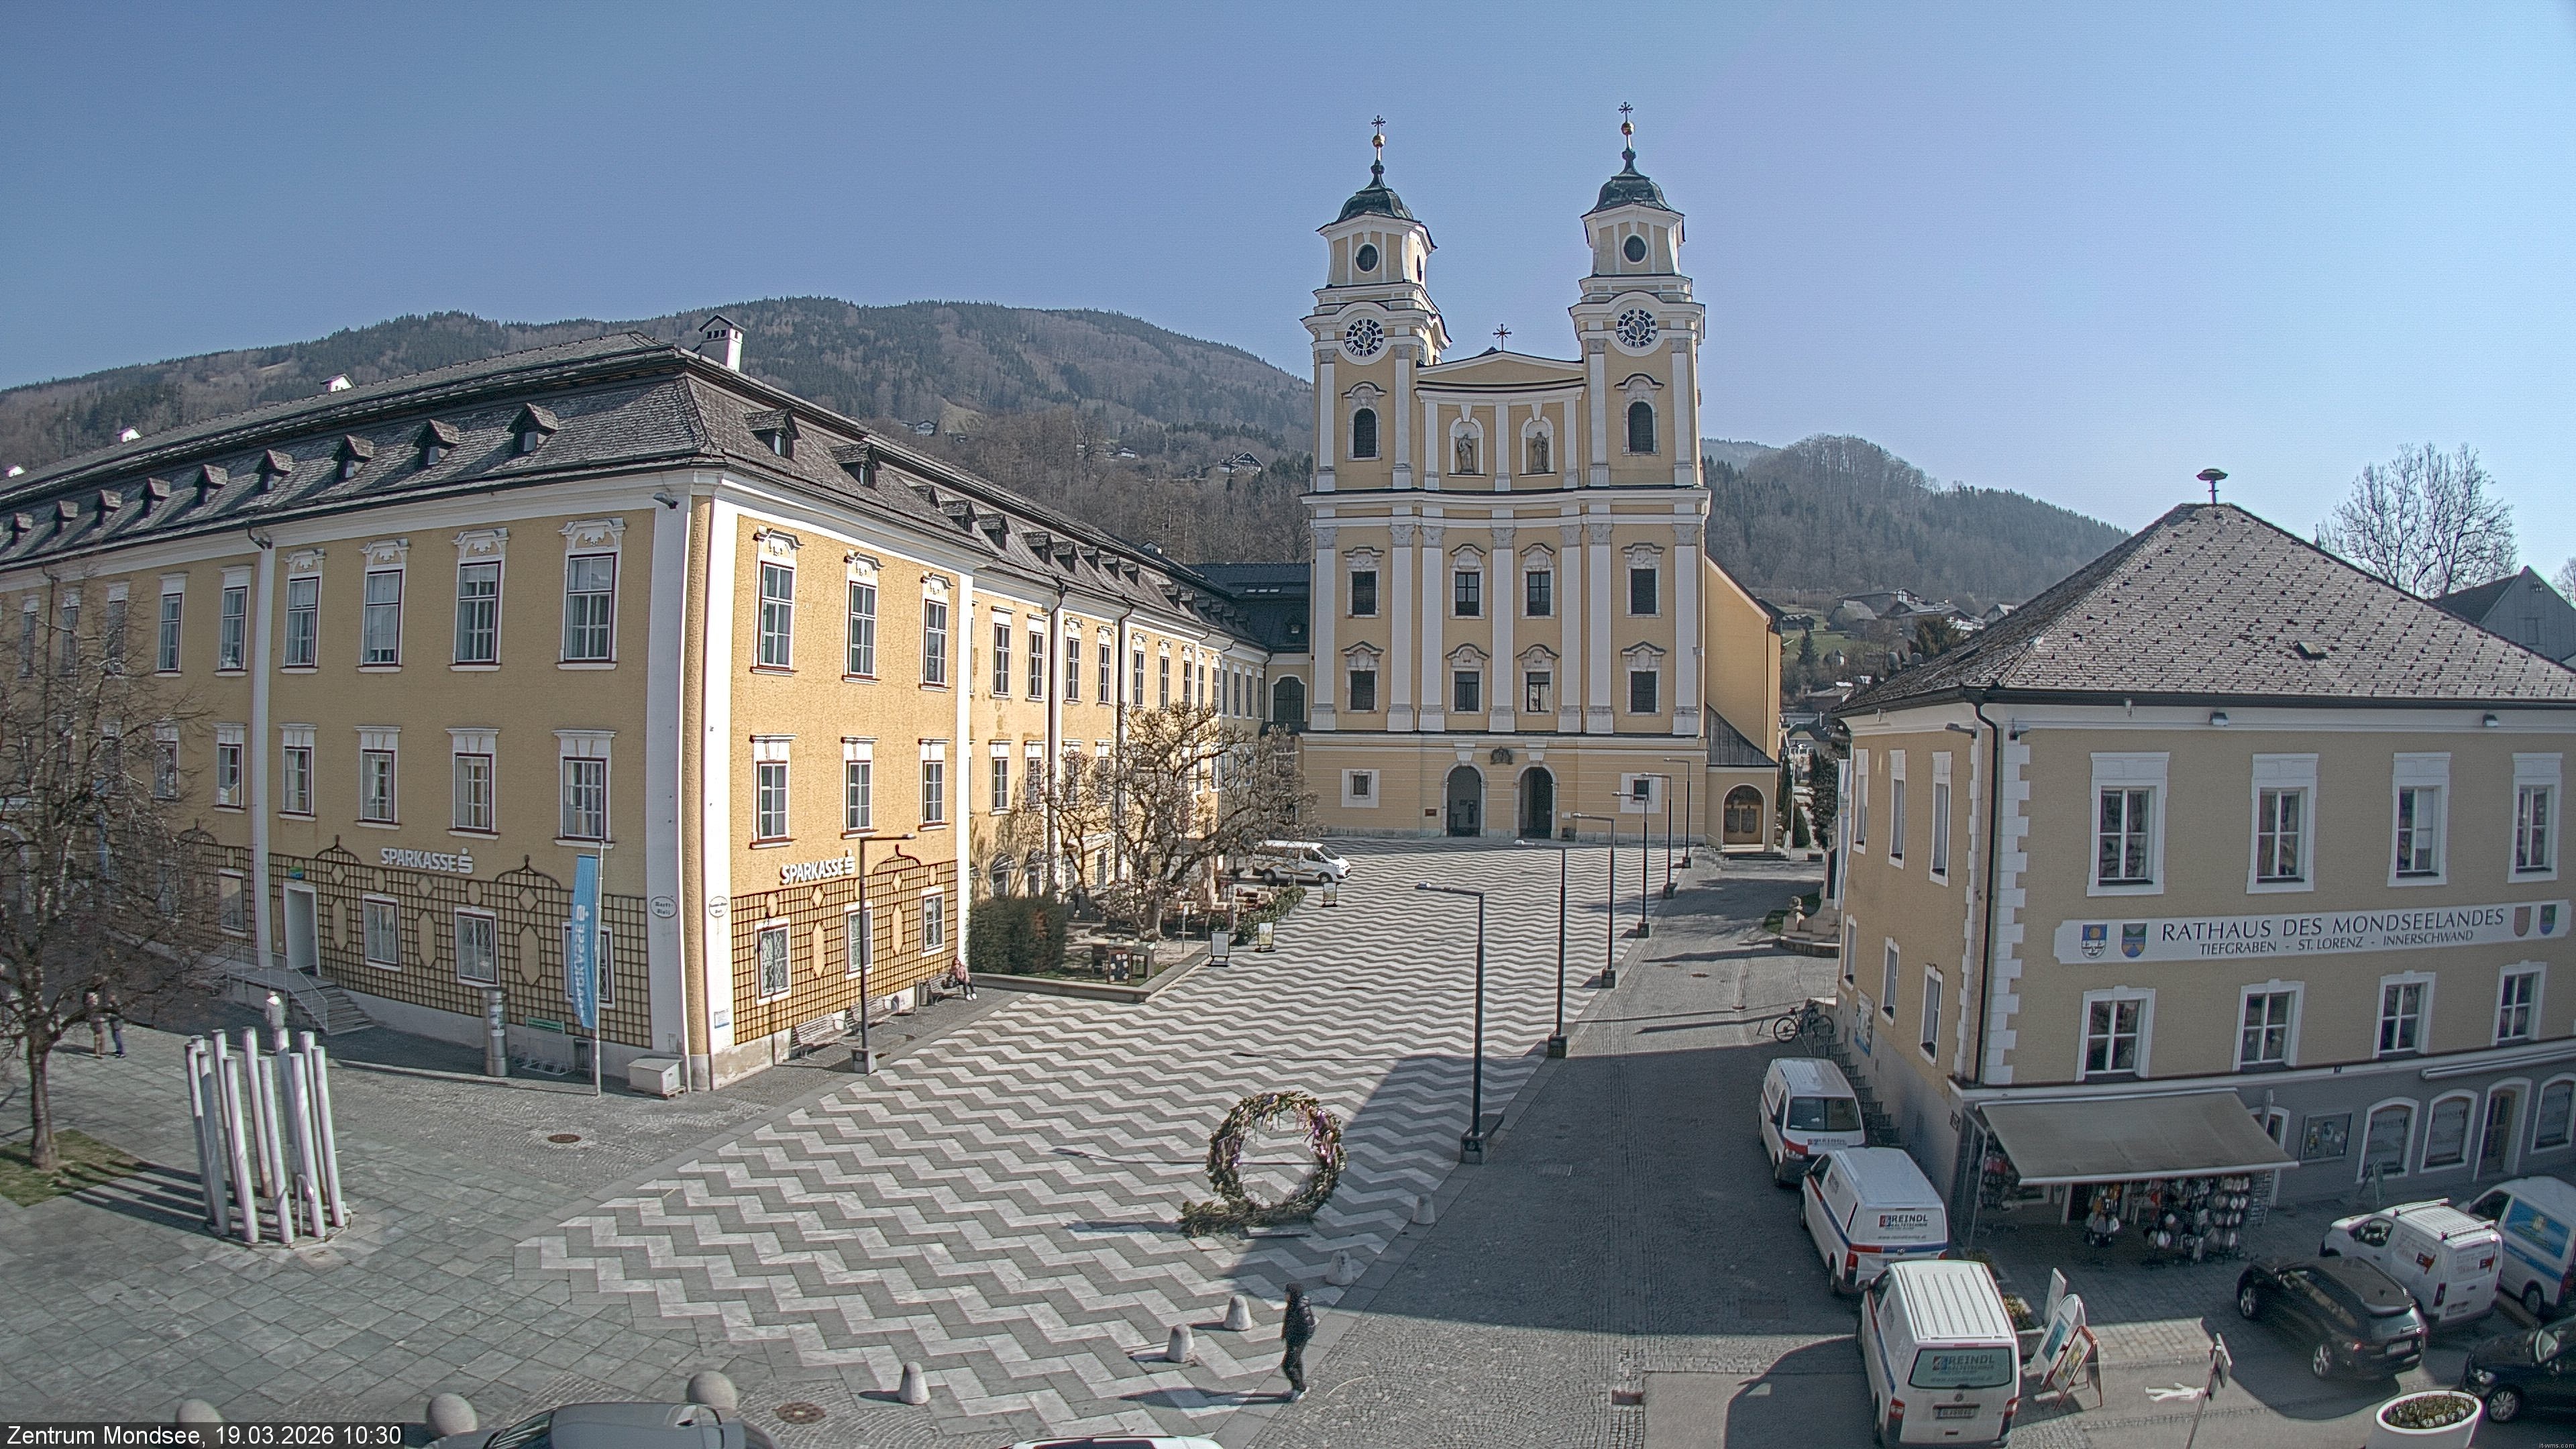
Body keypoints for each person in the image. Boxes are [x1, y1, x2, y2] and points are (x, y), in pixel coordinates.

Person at [1279, 1281, 1317, 1402]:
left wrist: (1298, 1341)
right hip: (1292, 1339)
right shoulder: (1293, 1304)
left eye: (1287, 1293)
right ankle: (1298, 1387)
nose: (1285, 1295)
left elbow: (1309, 1327)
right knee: (1296, 1363)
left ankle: (1299, 1388)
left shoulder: (1301, 1309)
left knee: (1287, 1365)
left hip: (1296, 1341)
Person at [83, 988, 107, 1057]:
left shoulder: (95, 1006)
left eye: (97, 998)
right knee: (98, 1039)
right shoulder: (90, 1008)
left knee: (102, 1037)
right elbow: (91, 1019)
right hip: (96, 1025)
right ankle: (98, 1053)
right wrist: (100, 1019)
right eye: (94, 998)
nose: (96, 1000)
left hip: (99, 1024)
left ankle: (102, 1050)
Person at [103, 989, 125, 1059]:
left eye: (111, 997)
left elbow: (120, 1015)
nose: (110, 999)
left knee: (118, 1038)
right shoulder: (110, 1004)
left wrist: (110, 1015)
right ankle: (118, 1050)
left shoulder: (117, 1005)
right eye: (109, 997)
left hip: (117, 1024)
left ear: (115, 997)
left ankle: (122, 1052)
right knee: (114, 1037)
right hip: (113, 1023)